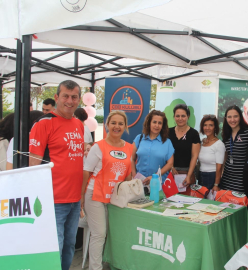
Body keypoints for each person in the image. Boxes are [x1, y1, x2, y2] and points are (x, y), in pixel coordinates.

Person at [29, 80, 84, 270]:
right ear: (57, 97)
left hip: (74, 199)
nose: (70, 101)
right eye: (65, 96)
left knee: (69, 246)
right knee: (55, 247)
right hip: (53, 199)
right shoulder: (44, 124)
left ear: (79, 99)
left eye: (74, 97)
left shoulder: (78, 124)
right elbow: (33, 164)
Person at [82, 110, 134, 270]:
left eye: (120, 123)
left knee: (112, 234)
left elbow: (128, 176)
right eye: (113, 123)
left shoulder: (130, 148)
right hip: (95, 194)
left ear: (125, 126)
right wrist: (81, 196)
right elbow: (86, 172)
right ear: (107, 125)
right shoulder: (99, 146)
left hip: (115, 198)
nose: (116, 126)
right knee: (99, 234)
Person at [132, 110, 174, 185]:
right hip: (139, 184)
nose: (157, 125)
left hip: (159, 184)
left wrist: (154, 176)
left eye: (160, 123)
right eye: (154, 122)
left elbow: (170, 164)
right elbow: (131, 159)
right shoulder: (139, 138)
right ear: (149, 123)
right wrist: (134, 176)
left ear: (163, 126)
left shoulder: (167, 142)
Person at [219, 105, 248, 193]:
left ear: (240, 117)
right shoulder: (226, 135)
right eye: (229, 117)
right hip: (227, 178)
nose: (232, 120)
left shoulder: (247, 133)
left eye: (235, 116)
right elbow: (225, 157)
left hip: (241, 180)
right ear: (226, 118)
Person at [168, 104, 200, 186]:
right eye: (177, 116)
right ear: (174, 117)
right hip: (170, 172)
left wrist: (189, 175)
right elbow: (165, 153)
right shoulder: (168, 132)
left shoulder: (194, 134)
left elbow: (194, 156)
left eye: (183, 116)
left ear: (188, 116)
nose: (180, 119)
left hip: (187, 173)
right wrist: (170, 167)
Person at [197, 115, 225, 190]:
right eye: (205, 125)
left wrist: (216, 184)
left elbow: (219, 167)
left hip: (212, 177)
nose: (207, 128)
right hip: (201, 176)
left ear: (215, 127)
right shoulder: (202, 142)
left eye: (211, 125)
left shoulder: (219, 144)